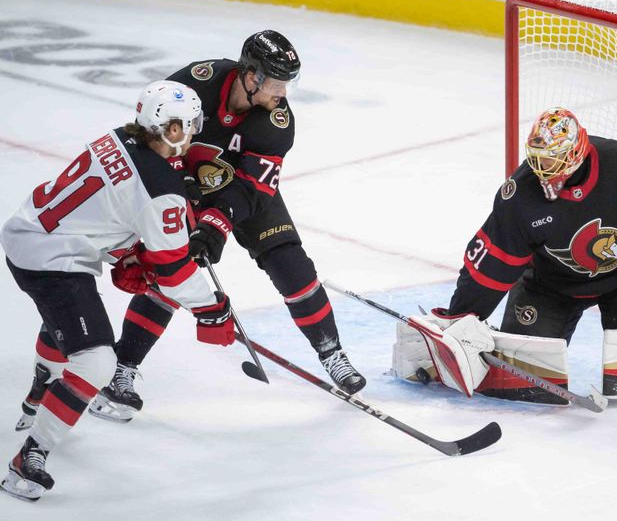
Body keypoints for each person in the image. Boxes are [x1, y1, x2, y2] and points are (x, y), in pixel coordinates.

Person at [80, 30, 365, 423]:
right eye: (276, 82)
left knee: (292, 265)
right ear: (251, 76)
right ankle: (120, 370)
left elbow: (253, 186)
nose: (283, 93)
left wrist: (216, 223)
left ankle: (333, 354)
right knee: (172, 272)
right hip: (180, 188)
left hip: (242, 192)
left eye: (288, 83)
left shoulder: (277, 122)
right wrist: (181, 187)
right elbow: (153, 137)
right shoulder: (197, 82)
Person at [0, 81, 235, 501]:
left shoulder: (120, 136)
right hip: (52, 261)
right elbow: (175, 272)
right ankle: (27, 460)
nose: (193, 133)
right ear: (166, 127)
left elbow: (107, 206)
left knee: (68, 322)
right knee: (96, 363)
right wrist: (213, 309)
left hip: (28, 230)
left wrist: (127, 252)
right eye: (186, 126)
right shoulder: (161, 187)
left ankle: (39, 393)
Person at [418, 107, 617, 396]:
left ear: (576, 151)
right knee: (524, 380)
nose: (543, 165)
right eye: (539, 156)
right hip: (549, 286)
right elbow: (492, 265)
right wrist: (461, 317)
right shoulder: (519, 196)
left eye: (552, 157)